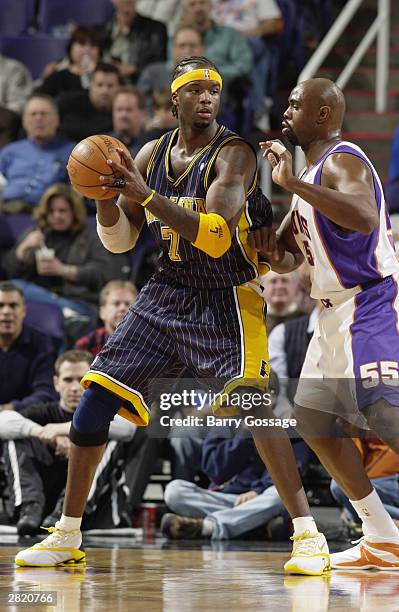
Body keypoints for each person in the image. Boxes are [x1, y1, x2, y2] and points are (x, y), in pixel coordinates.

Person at [15, 56, 329, 575]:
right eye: (196, 89)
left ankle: (308, 535)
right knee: (93, 402)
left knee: (254, 407)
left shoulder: (236, 154)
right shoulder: (149, 152)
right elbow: (120, 244)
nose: (207, 96)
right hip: (166, 292)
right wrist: (106, 199)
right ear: (173, 99)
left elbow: (214, 233)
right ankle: (66, 534)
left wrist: (145, 195)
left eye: (214, 89)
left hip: (227, 293)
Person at [251, 77, 399, 570]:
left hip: (371, 300)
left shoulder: (343, 160)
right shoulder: (311, 177)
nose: (285, 109)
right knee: (313, 420)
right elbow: (292, 258)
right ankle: (382, 535)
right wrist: (263, 242)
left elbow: (362, 215)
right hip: (331, 311)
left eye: (296, 103)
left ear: (323, 115)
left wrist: (293, 184)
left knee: (382, 414)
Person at [0, 350, 137, 536]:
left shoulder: (105, 412)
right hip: (44, 497)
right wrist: (42, 432)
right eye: (67, 380)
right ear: (56, 383)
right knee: (16, 438)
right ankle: (29, 508)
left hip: (92, 511)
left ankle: (67, 514)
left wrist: (64, 430)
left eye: (81, 380)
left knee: (106, 439)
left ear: (93, 382)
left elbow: (128, 428)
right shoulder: (43, 413)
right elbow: (3, 421)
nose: (74, 387)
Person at [161, 372, 312, 541]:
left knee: (279, 496)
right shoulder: (227, 423)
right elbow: (215, 472)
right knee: (174, 491)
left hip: (261, 498)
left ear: (272, 397)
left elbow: (291, 472)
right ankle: (252, 524)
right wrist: (244, 434)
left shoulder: (289, 427)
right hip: (226, 498)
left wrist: (257, 491)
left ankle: (209, 527)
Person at [4, 183, 112, 322]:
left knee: (18, 288)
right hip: (40, 298)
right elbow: (9, 271)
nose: (57, 216)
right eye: (51, 211)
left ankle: (67, 314)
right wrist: (23, 248)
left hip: (78, 301)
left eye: (62, 211)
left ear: (74, 211)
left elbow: (102, 274)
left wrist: (63, 270)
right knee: (13, 289)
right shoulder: (36, 233)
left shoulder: (90, 236)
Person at [0, 95, 74, 213]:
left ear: (56, 120)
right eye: (33, 114)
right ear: (24, 121)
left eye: (44, 114)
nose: (38, 118)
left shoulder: (72, 152)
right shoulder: (9, 151)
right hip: (7, 213)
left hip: (50, 216)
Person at [0, 282, 56, 413]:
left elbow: (45, 393)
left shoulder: (42, 344)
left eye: (13, 305)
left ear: (23, 311)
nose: (6, 311)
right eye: (0, 305)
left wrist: (8, 409)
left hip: (25, 418)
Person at [102, 0, 167, 84]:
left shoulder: (156, 30)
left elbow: (159, 63)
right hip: (109, 84)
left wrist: (135, 69)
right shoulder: (103, 30)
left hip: (141, 84)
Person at [58, 63, 121, 142]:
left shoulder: (124, 109)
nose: (105, 91)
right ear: (90, 85)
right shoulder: (68, 103)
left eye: (110, 86)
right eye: (100, 85)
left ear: (119, 87)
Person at [75, 280, 138, 357]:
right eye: (116, 304)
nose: (122, 308)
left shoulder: (148, 344)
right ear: (102, 312)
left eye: (128, 304)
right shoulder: (86, 345)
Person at [36, 26, 102, 99]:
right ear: (71, 47)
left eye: (93, 45)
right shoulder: (57, 76)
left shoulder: (108, 76)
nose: (87, 50)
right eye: (81, 44)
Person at [111, 87, 147, 157]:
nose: (123, 115)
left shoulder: (153, 146)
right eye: (119, 109)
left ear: (142, 113)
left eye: (129, 110)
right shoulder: (101, 143)